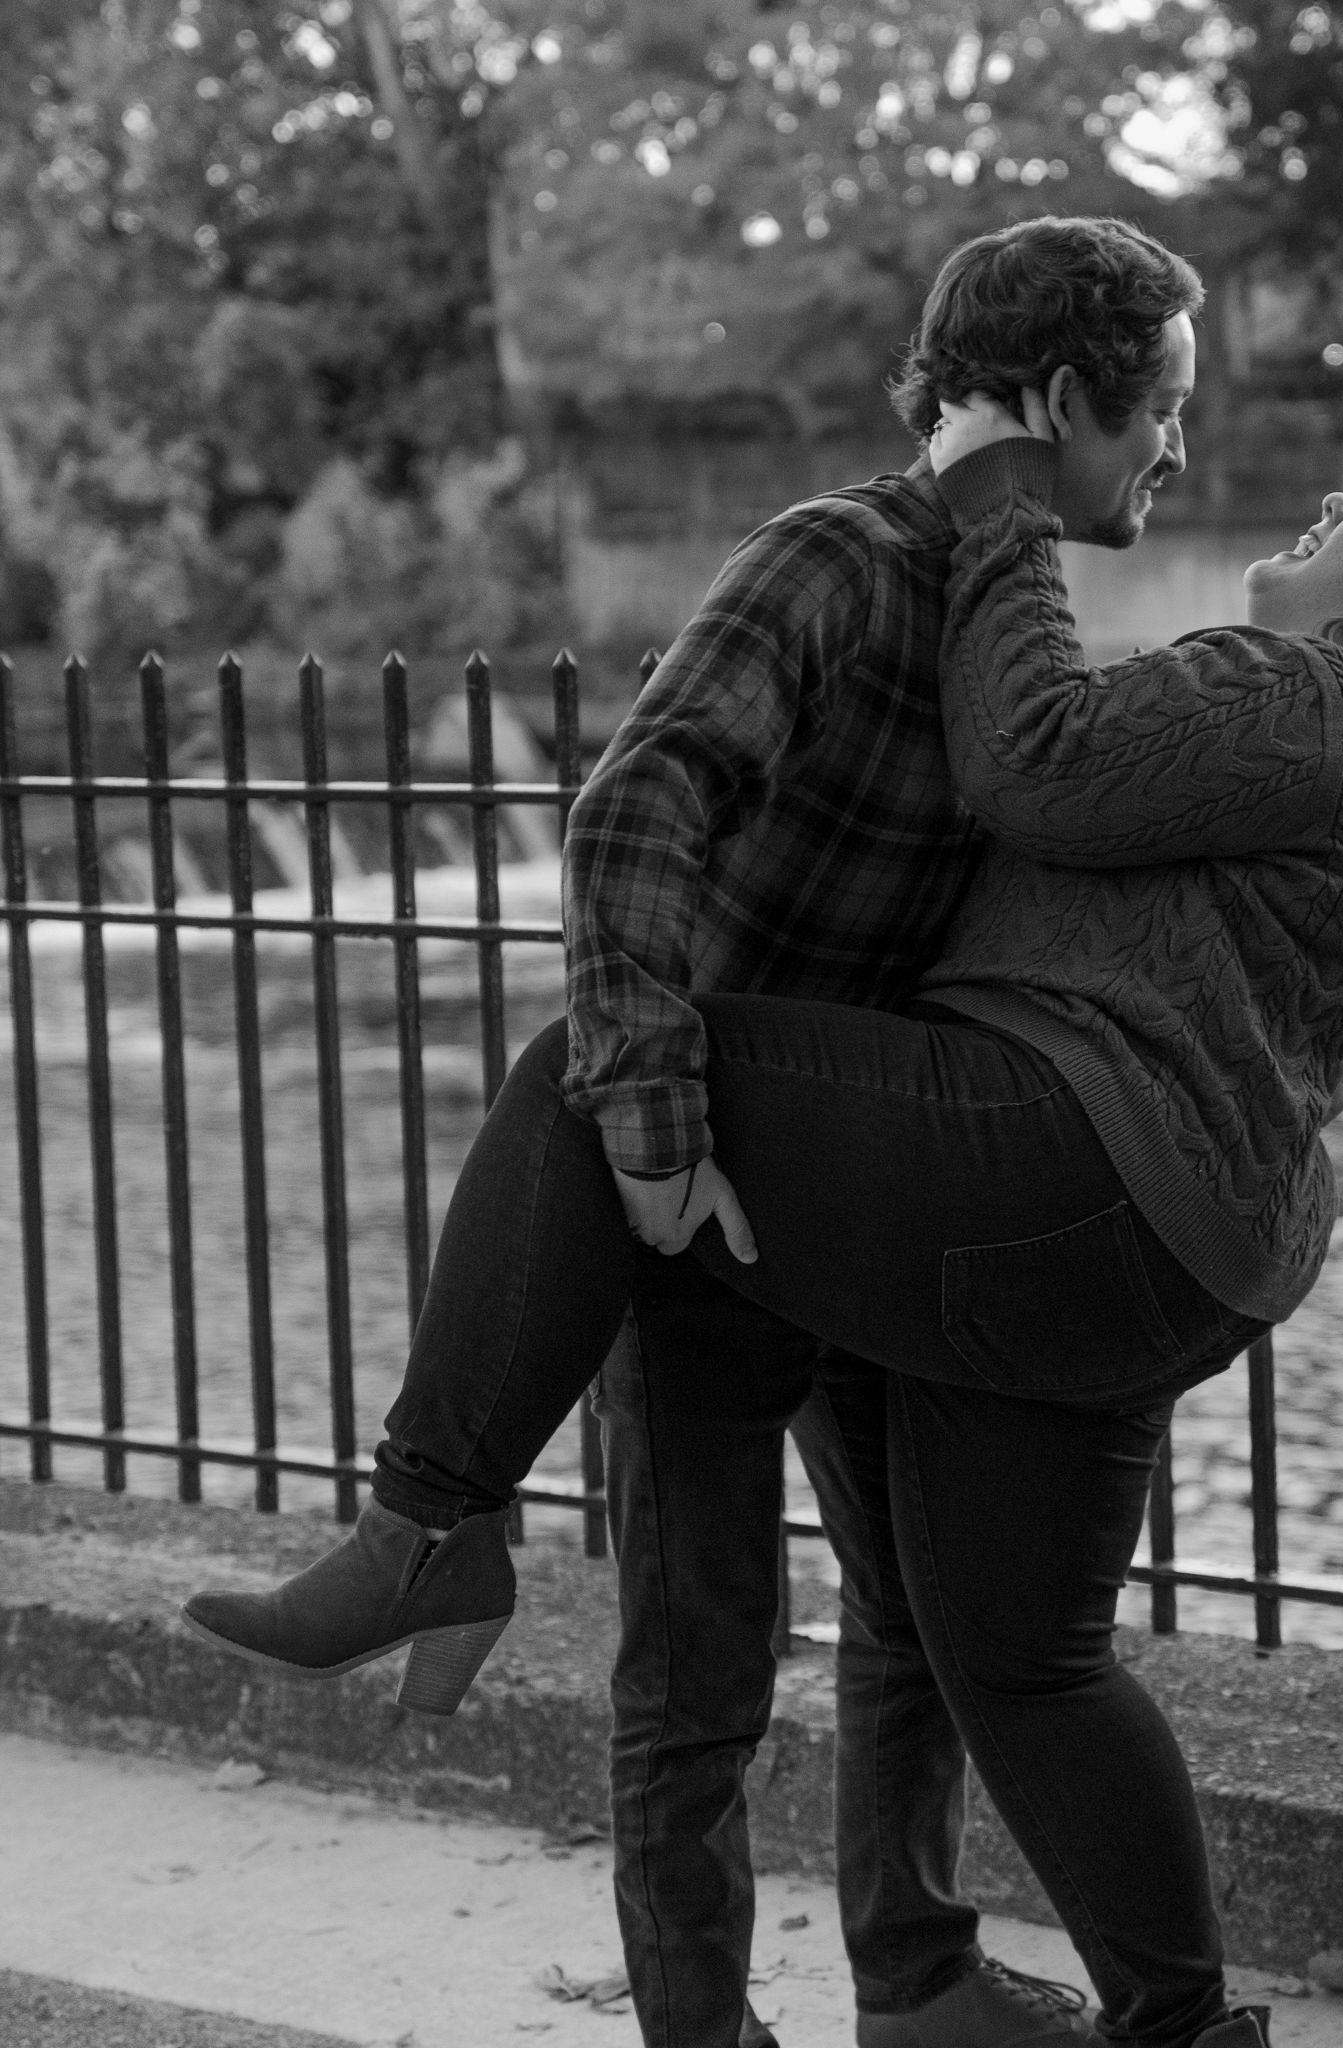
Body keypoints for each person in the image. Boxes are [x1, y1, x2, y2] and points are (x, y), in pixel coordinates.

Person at [183, 394, 1343, 2045]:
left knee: (585, 1072)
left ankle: (425, 1525)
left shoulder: (1319, 696)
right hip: (1169, 1249)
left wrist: (1002, 505)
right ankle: (1161, 2029)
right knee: (1027, 1662)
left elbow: (1034, 753)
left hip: (1063, 1160)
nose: (1334, 506)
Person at [186, 216, 1210, 2048]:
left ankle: (915, 1985)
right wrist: (656, 1132)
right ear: (1065, 398)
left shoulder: (1015, 607)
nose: (1179, 453)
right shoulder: (836, 556)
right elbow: (631, 810)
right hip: (703, 1206)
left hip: (879, 1193)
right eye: (1162, 413)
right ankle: (700, 2028)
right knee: (698, 1665)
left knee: (914, 1619)